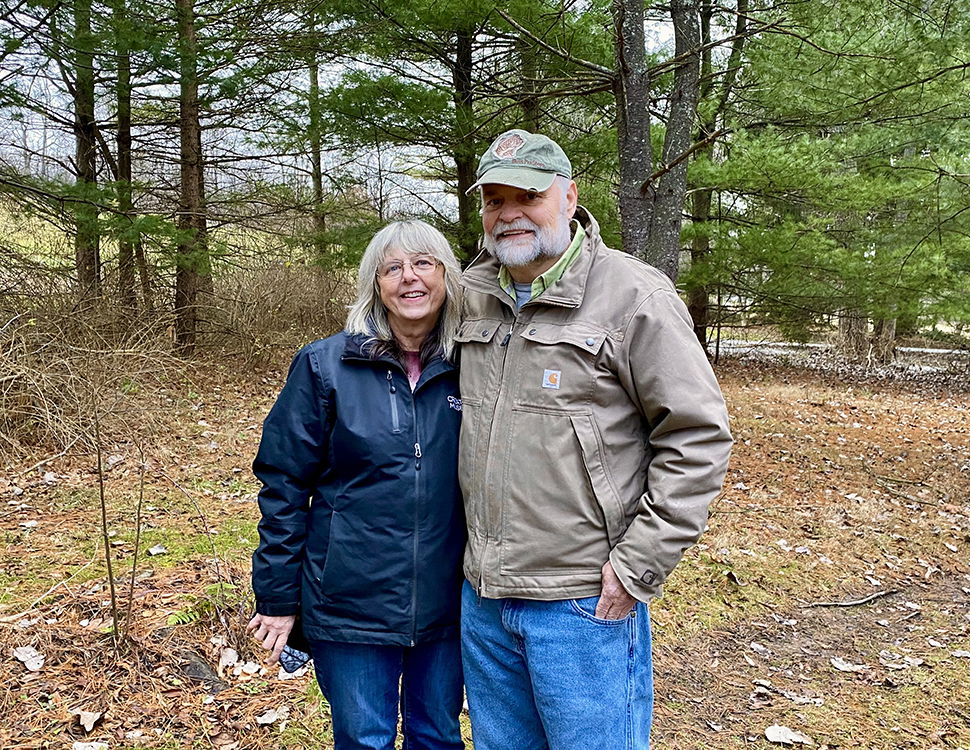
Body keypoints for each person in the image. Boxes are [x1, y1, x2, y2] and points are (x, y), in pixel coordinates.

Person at [455, 129, 733, 750]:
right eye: (495, 200)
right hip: (483, 596)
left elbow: (698, 437)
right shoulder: (469, 295)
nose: (510, 214)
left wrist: (637, 566)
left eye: (527, 196)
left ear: (569, 195)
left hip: (583, 600)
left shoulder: (634, 295)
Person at [247, 220, 466, 750]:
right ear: (375, 284)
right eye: (393, 268)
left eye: (423, 264)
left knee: (436, 736)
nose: (409, 279)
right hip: (349, 601)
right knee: (362, 738)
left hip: (450, 599)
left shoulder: (474, 364)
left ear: (446, 278)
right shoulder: (325, 366)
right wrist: (277, 596)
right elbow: (283, 485)